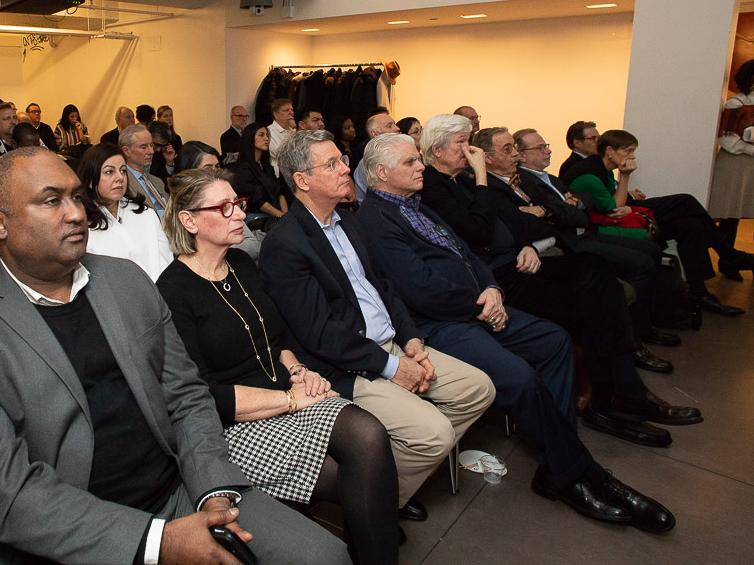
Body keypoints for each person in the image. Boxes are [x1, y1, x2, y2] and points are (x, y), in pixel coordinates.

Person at [0, 148, 352, 565]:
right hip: (70, 529)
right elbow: (5, 495)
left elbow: (187, 397)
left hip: (181, 492)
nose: (75, 213)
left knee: (325, 556)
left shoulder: (126, 281)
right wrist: (161, 542)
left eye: (76, 197)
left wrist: (213, 493)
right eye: (51, 201)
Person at [355, 132, 677, 532]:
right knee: (521, 378)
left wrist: (493, 289)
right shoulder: (375, 219)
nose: (421, 167)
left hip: (479, 305)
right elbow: (419, 288)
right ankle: (581, 473)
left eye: (418, 159)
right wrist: (481, 306)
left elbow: (469, 253)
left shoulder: (416, 204)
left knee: (555, 341)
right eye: (410, 162)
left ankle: (558, 466)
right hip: (440, 324)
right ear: (382, 172)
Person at [158, 168, 403, 563]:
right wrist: (291, 399)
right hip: (236, 424)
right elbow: (204, 397)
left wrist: (298, 370)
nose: (241, 214)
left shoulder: (241, 262)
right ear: (189, 221)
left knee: (369, 436)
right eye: (225, 208)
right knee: (363, 472)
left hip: (286, 392)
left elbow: (277, 338)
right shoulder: (171, 291)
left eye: (238, 203)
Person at [257, 130, 496, 524]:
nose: (345, 168)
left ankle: (383, 483)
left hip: (393, 343)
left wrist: (412, 340)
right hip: (347, 364)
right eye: (331, 164)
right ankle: (373, 505)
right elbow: (319, 332)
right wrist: (393, 367)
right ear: (302, 180)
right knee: (434, 434)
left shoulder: (349, 223)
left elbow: (383, 287)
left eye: (342, 159)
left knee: (477, 389)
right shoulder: (285, 243)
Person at [511, 127, 681, 349]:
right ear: (522, 155)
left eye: (547, 146)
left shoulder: (549, 177)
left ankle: (643, 323)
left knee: (652, 250)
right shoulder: (524, 181)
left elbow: (585, 199)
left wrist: (571, 203)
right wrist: (569, 206)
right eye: (540, 148)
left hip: (586, 232)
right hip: (571, 243)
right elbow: (572, 214)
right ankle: (633, 336)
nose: (548, 151)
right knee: (643, 262)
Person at [564, 128, 754, 315]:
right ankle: (728, 255)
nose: (632, 156)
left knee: (691, 226)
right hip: (605, 226)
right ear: (610, 151)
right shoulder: (589, 173)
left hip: (622, 214)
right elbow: (614, 209)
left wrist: (627, 199)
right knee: (686, 201)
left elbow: (612, 200)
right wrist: (626, 177)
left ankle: (699, 292)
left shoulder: (600, 168)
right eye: (628, 151)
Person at [78, 144, 173, 280]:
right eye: (109, 172)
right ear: (91, 181)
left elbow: (167, 264)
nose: (120, 177)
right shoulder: (83, 225)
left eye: (123, 171)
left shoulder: (145, 214)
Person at [709, 59, 754, 267]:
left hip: (749, 164)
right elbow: (727, 139)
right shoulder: (736, 103)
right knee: (730, 215)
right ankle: (728, 262)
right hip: (735, 165)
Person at [234, 122, 289, 222]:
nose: (266, 138)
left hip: (275, 214)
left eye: (267, 135)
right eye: (261, 135)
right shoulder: (243, 168)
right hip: (256, 217)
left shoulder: (267, 166)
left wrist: (286, 215)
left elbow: (280, 192)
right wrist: (281, 216)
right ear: (250, 138)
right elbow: (256, 200)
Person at [120, 124, 169, 219]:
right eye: (144, 147)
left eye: (151, 145)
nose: (151, 151)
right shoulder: (122, 183)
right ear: (127, 151)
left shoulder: (157, 181)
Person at [353, 111, 400, 203]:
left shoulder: (397, 155)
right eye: (389, 126)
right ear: (375, 134)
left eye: (395, 124)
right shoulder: (369, 163)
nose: (397, 128)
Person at [267, 98, 295, 177]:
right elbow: (281, 154)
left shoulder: (293, 131)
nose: (291, 113)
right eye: (286, 110)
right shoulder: (269, 131)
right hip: (278, 174)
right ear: (276, 114)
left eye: (292, 110)